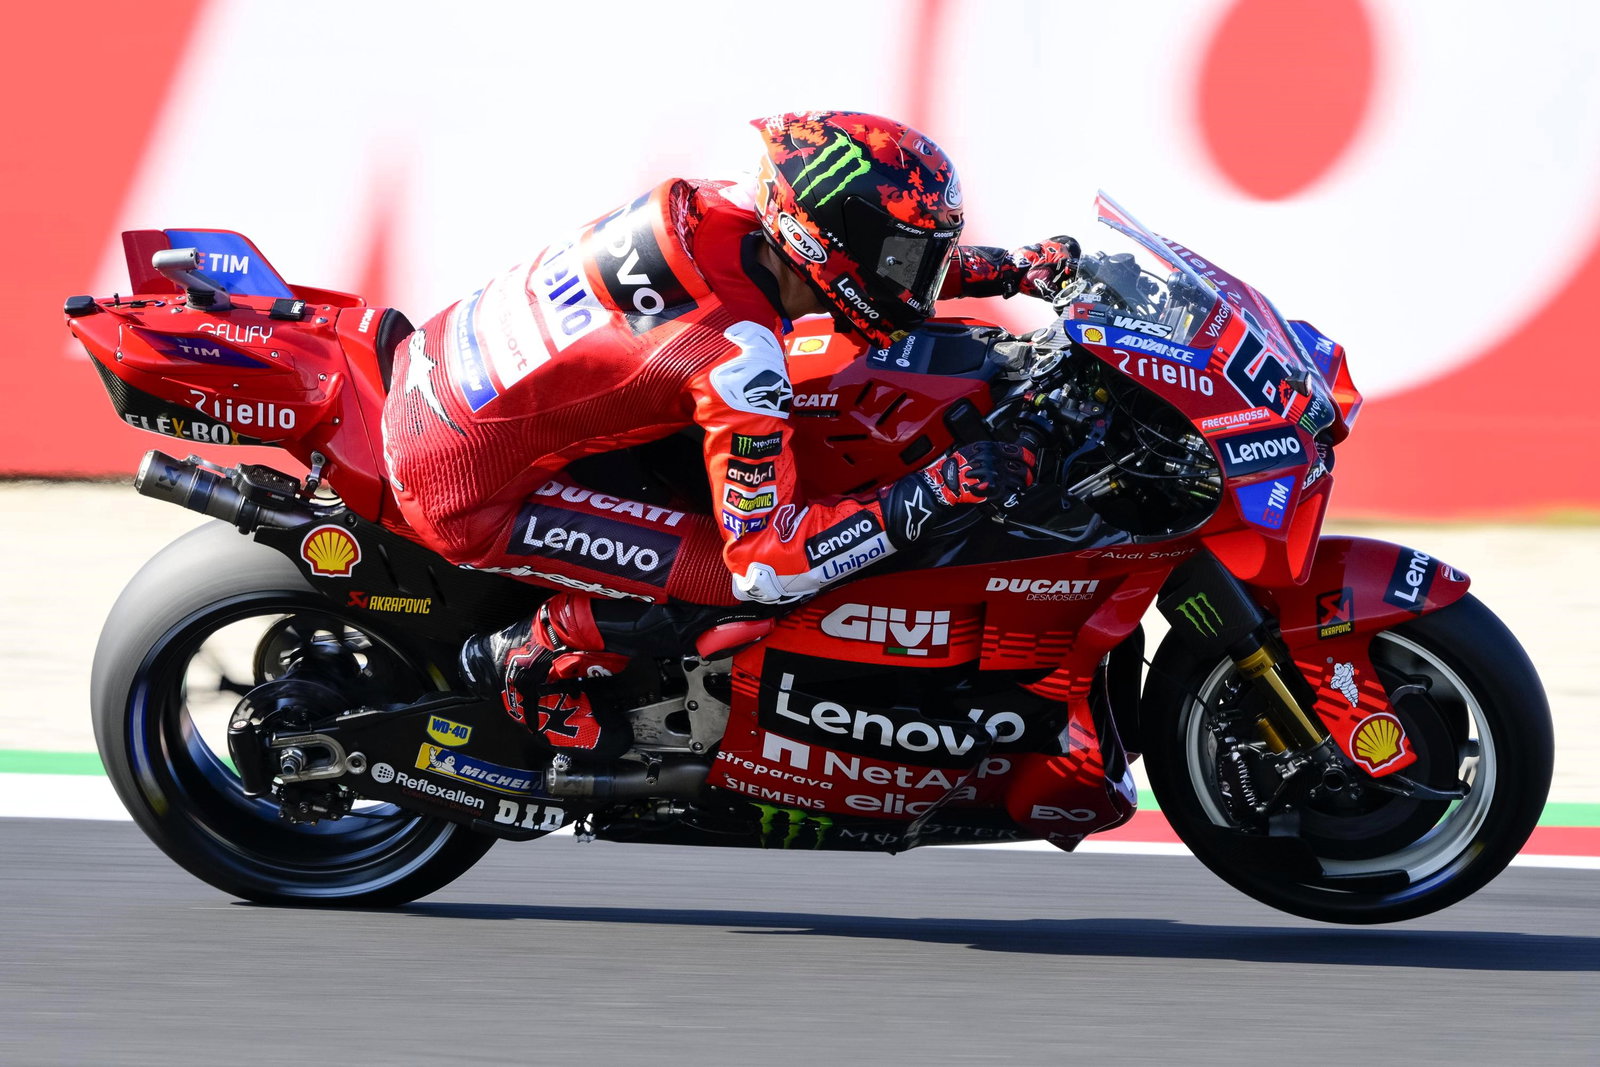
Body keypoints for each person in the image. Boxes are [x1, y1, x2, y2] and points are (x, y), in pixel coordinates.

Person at [380, 110, 1078, 757]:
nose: (911, 270)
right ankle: (526, 657)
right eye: (902, 252)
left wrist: (1011, 269)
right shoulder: (740, 357)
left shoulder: (728, 205)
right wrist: (932, 492)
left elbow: (872, 269)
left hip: (443, 375)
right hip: (468, 488)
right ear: (826, 241)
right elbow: (765, 561)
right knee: (739, 584)